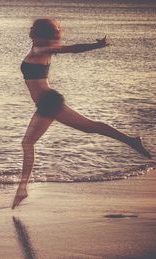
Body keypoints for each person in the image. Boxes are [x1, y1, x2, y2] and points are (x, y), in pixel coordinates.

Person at [12, 18, 152, 210]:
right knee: (89, 127)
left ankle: (22, 189)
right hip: (47, 102)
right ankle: (131, 140)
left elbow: (73, 49)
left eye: (34, 29)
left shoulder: (42, 50)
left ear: (39, 34)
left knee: (28, 143)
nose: (30, 31)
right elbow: (68, 49)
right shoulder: (41, 50)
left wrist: (96, 46)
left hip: (48, 103)